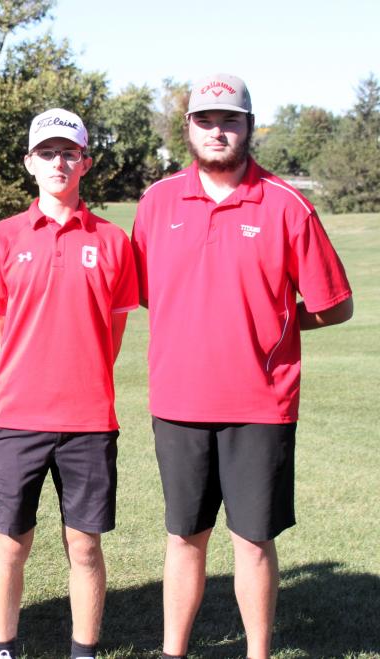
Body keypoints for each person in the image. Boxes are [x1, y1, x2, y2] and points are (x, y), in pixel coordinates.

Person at [131, 74, 354, 659]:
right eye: (205, 120)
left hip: (261, 404)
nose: (218, 130)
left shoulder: (286, 204)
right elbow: (154, 292)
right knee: (184, 535)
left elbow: (335, 305)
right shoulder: (156, 202)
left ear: (250, 126)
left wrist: (275, 324)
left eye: (230, 120)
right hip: (177, 401)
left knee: (253, 541)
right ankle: (171, 652)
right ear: (188, 129)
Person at [0, 109, 138, 659]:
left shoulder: (114, 241)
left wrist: (78, 376)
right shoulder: (2, 237)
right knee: (10, 544)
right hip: (16, 419)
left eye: (69, 152)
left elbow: (112, 331)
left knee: (84, 546)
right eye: (47, 153)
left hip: (89, 421)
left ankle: (83, 651)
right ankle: (3, 648)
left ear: (85, 163)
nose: (58, 162)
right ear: (30, 163)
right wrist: (26, 377)